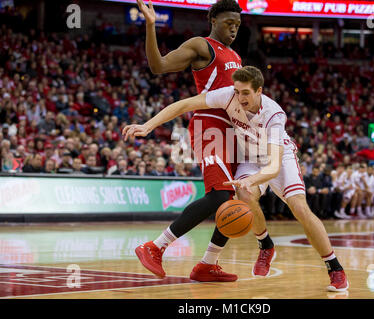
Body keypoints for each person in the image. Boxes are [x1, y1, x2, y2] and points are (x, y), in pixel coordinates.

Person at [124, 66, 349, 291]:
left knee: (299, 207)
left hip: (278, 157)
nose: (239, 98)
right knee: (243, 194)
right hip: (250, 157)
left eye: (245, 93)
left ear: (259, 91)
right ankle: (265, 245)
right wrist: (148, 125)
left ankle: (335, 268)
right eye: (237, 91)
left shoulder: (274, 114)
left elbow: (272, 167)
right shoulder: (228, 95)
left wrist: (252, 180)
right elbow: (185, 104)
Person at [125, 0, 249, 282]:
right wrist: (150, 25)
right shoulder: (201, 45)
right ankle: (155, 246)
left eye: (238, 25)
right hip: (209, 127)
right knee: (219, 195)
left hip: (233, 132)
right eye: (229, 23)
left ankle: (208, 264)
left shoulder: (236, 56)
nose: (234, 29)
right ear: (214, 20)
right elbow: (158, 66)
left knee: (239, 198)